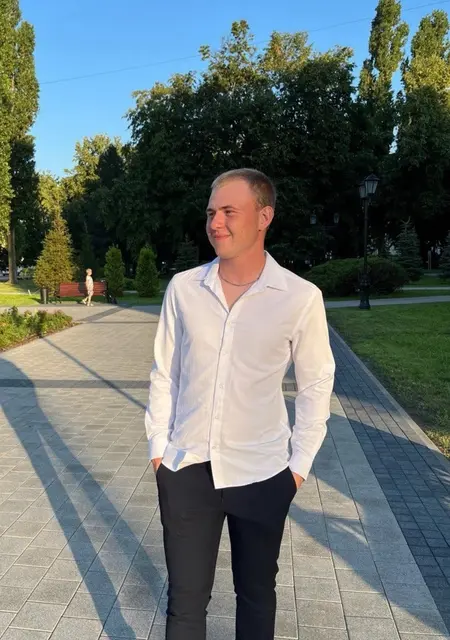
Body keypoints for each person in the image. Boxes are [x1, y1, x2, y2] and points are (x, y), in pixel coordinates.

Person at [145, 168, 335, 640]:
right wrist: (159, 451)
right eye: (211, 212)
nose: (216, 222)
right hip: (187, 469)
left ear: (264, 216)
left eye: (229, 211)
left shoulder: (300, 298)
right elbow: (165, 372)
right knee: (185, 604)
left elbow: (316, 384)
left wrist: (298, 467)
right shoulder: (184, 288)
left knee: (255, 597)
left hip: (263, 473)